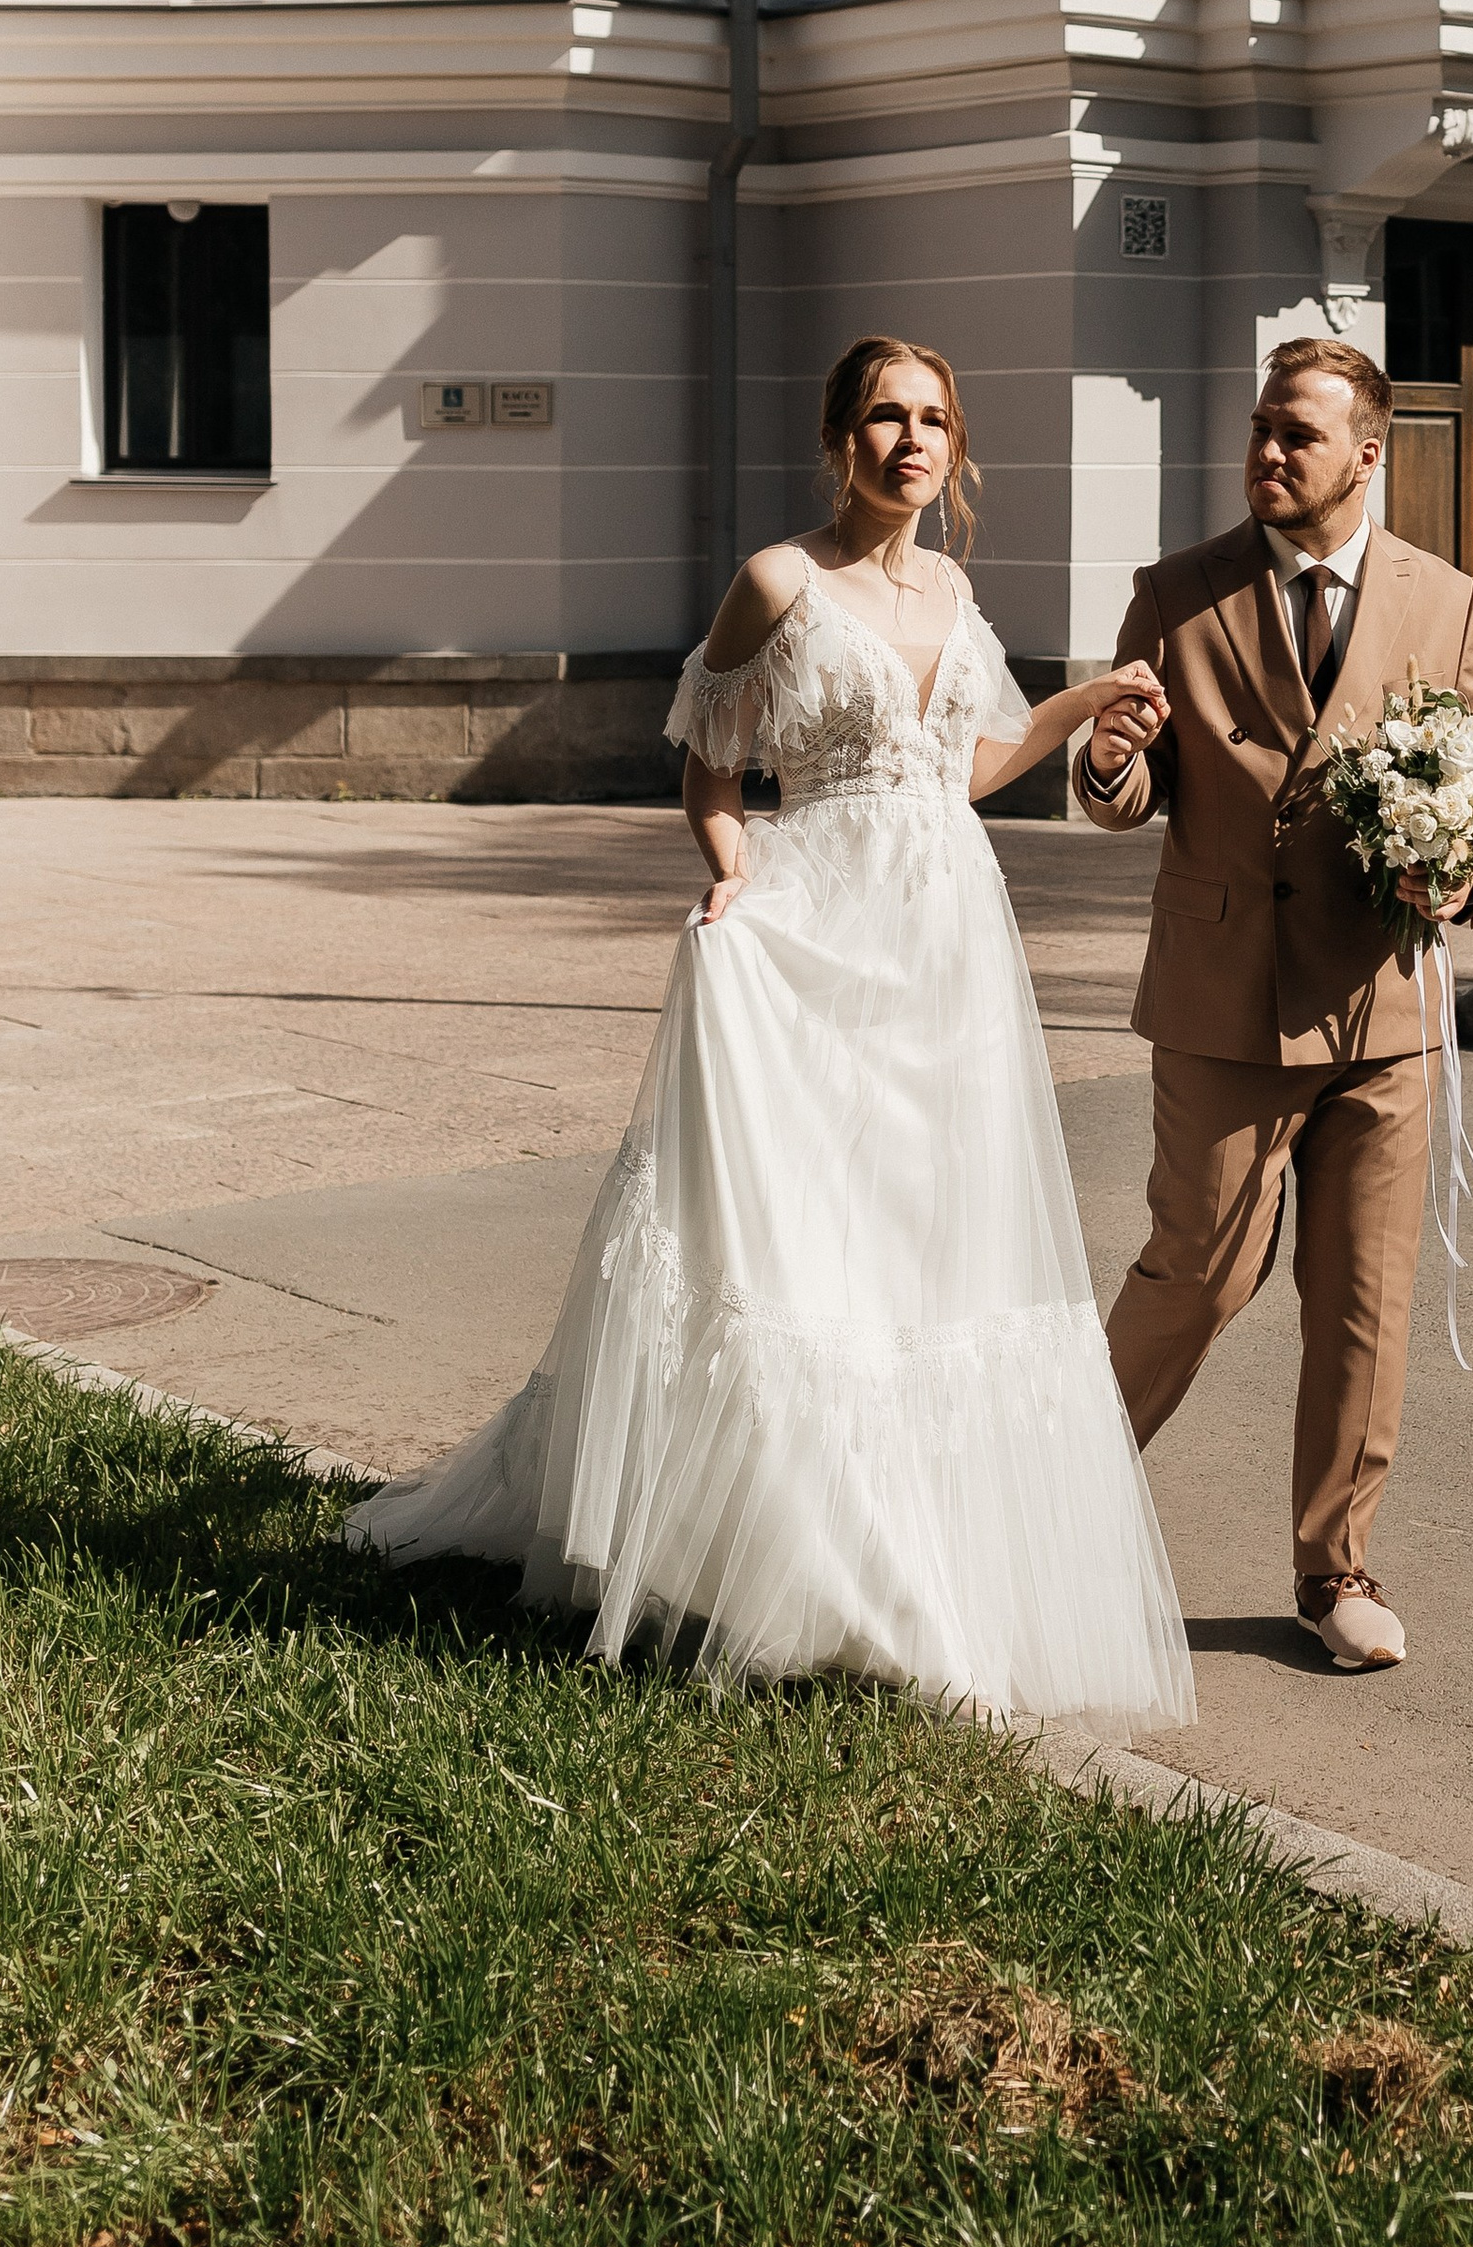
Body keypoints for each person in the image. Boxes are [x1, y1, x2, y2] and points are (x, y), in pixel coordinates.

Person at [346, 335, 1194, 1734]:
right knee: (811, 1230)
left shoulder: (957, 586)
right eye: (882, 418)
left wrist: (1089, 701)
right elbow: (708, 764)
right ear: (839, 438)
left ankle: (913, 1541)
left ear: (955, 448)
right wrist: (731, 868)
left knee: (929, 1228)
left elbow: (969, 769)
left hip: (949, 943)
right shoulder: (780, 583)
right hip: (816, 930)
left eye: (931, 421)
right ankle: (805, 1559)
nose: (909, 442)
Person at [1073, 339, 1473, 1672]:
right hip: (1224, 999)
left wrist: (1463, 862)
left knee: (1360, 1300)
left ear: (1366, 455)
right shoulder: (1179, 592)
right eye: (1259, 430)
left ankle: (1337, 1573)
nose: (1265, 454)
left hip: (1381, 1003)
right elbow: (1123, 795)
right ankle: (1045, 1508)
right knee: (1196, 1272)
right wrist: (1106, 764)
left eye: (1295, 437)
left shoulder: (1443, 598)